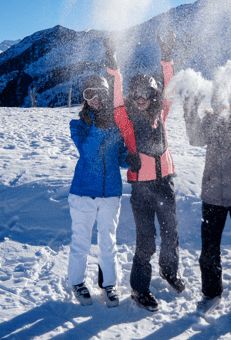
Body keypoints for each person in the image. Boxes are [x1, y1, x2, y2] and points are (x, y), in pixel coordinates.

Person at [105, 32, 185, 312]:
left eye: (146, 94)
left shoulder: (161, 113)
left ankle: (169, 271)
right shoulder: (125, 119)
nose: (141, 99)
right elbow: (116, 97)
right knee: (146, 240)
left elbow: (171, 87)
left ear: (153, 96)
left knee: (171, 233)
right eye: (136, 94)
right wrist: (113, 66)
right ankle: (140, 289)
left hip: (166, 183)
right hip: (141, 189)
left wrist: (167, 58)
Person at [182, 70, 231, 317]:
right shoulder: (209, 121)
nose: (221, 102)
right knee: (209, 249)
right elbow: (195, 138)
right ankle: (211, 293)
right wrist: (191, 103)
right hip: (212, 196)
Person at [67, 74, 131, 308]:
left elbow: (120, 156)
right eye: (88, 94)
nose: (94, 99)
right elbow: (87, 151)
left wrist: (130, 159)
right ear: (84, 99)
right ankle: (77, 281)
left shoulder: (117, 124)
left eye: (99, 94)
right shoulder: (79, 125)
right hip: (83, 192)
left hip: (111, 192)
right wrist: (98, 126)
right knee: (81, 240)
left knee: (108, 241)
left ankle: (109, 284)